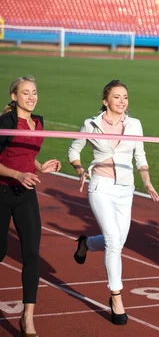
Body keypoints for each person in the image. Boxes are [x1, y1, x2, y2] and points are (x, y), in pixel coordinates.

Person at [68, 80, 159, 326]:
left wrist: (147, 182)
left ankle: (86, 243)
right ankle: (116, 297)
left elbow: (140, 155)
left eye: (125, 97)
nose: (122, 102)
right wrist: (79, 169)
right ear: (105, 101)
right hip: (101, 187)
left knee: (118, 240)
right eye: (117, 97)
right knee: (113, 242)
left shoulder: (135, 124)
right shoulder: (91, 124)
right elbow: (74, 150)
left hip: (125, 189)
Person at [0, 76, 61, 337]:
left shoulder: (38, 122)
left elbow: (28, 156)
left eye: (34, 92)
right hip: (2, 191)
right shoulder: (4, 123)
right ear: (14, 96)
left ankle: (27, 319)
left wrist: (40, 166)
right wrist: (17, 175)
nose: (31, 97)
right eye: (25, 93)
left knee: (32, 254)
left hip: (26, 193)